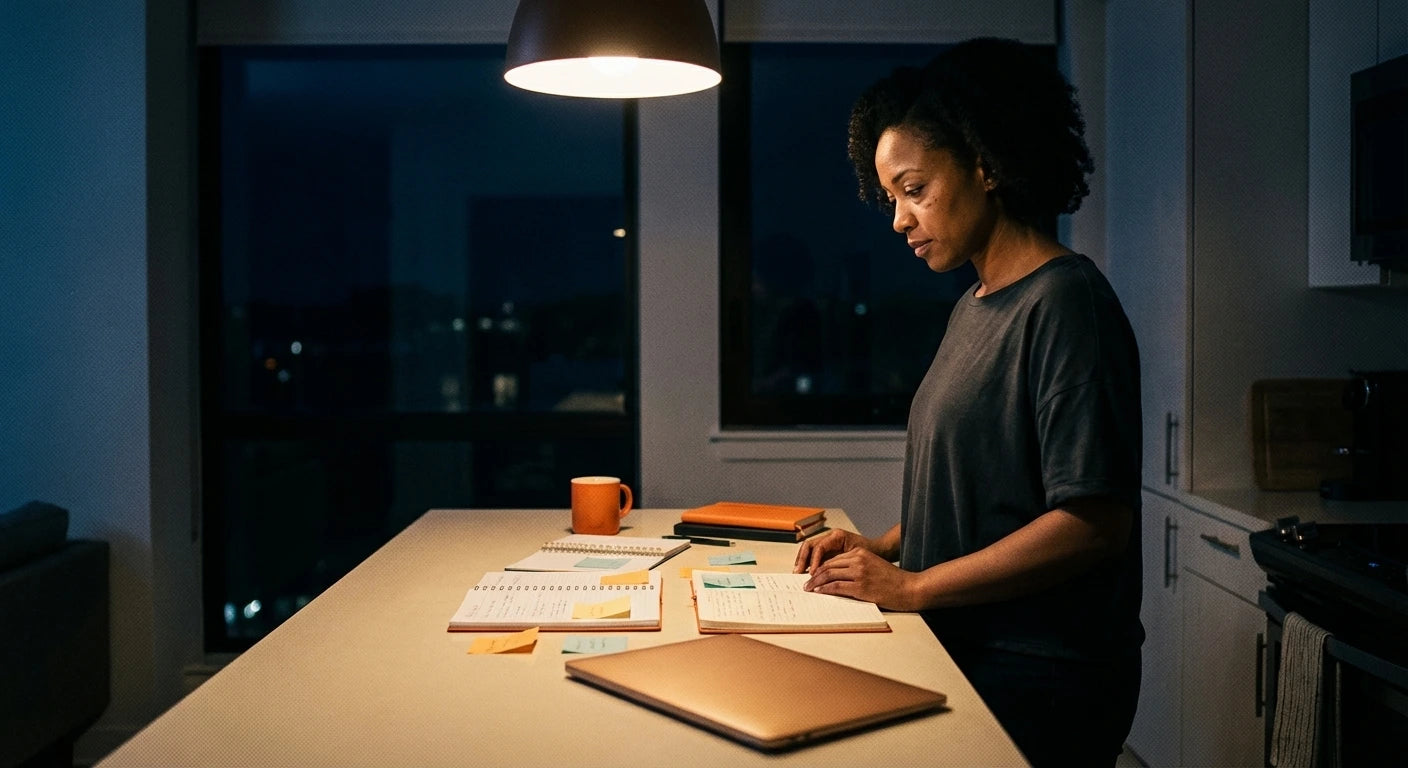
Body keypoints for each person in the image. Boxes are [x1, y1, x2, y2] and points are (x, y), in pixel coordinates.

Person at [794, 38, 1143, 767]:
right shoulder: (976, 305)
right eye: (891, 197)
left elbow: (1091, 522)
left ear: (986, 164)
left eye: (914, 190)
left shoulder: (1066, 303)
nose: (898, 220)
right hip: (965, 646)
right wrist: (882, 545)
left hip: (1040, 673)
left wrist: (912, 584)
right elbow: (983, 487)